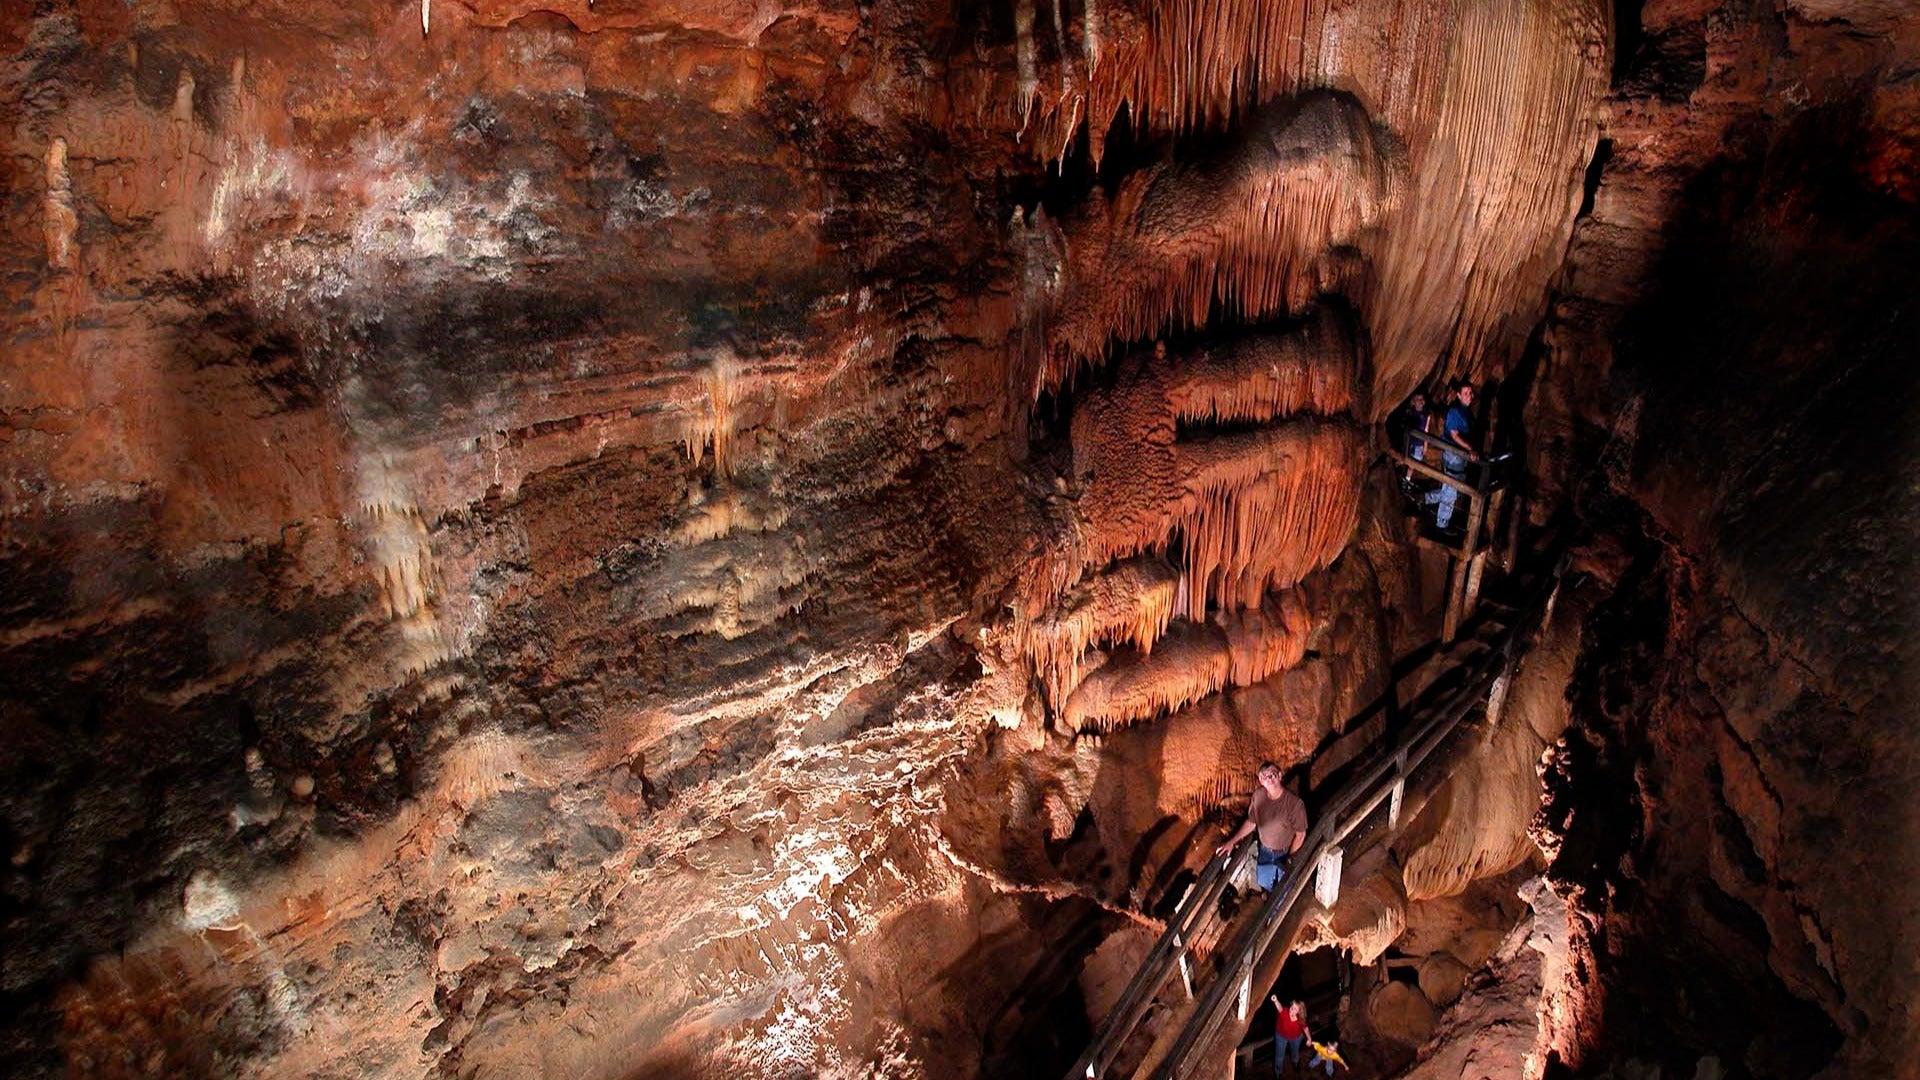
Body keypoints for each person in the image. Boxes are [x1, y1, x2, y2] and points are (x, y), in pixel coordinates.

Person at [1214, 762, 1307, 891]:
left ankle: (1280, 908)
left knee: (1284, 887)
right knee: (1265, 882)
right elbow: (1252, 822)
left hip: (1284, 853)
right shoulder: (1258, 796)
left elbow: (1301, 834)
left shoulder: (1294, 804)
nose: (1269, 779)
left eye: (1272, 775)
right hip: (1264, 851)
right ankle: (1269, 897)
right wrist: (1231, 842)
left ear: (1280, 776)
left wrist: (1290, 858)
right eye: (1264, 777)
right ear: (1261, 780)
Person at [1423, 381, 1477, 532]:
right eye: (1466, 393)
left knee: (1453, 489)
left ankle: (1426, 498)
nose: (1470, 396)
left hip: (1461, 456)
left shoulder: (1466, 411)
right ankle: (1441, 525)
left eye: (1471, 393)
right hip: (1453, 455)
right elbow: (1454, 435)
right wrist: (1470, 448)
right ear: (1459, 395)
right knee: (1452, 490)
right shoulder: (1455, 411)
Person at [1269, 997, 1309, 1076]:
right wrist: (1276, 1000)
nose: (1291, 1009)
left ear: (1299, 1011)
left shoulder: (1300, 1019)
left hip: (1296, 1037)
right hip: (1281, 1036)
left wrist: (1309, 1038)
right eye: (1292, 1006)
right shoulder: (1285, 1012)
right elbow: (1280, 1008)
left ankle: (1295, 1063)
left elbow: (1305, 1028)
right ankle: (1278, 1073)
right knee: (1279, 1056)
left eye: (1294, 1008)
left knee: (1295, 1052)